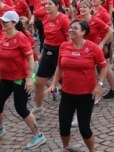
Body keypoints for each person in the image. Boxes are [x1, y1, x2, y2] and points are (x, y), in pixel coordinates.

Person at [0, 11, 46, 150]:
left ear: (14, 23)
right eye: (1, 21)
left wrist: (29, 79)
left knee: (21, 109)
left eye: (5, 22)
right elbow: (3, 57)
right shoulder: (3, 35)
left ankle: (38, 135)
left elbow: (30, 59)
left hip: (19, 79)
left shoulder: (21, 38)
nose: (2, 23)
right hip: (5, 78)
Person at [45, 19, 108, 152]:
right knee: (64, 126)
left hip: (86, 94)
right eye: (70, 28)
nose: (71, 30)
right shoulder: (64, 46)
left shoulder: (93, 48)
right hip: (67, 92)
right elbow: (60, 67)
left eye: (75, 28)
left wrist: (100, 84)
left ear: (84, 32)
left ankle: (92, 150)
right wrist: (54, 84)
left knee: (84, 128)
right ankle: (65, 149)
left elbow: (104, 67)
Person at [31, 0, 71, 116]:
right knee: (38, 83)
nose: (46, 6)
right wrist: (42, 52)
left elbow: (69, 40)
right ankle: (38, 107)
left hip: (61, 53)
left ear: (57, 6)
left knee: (66, 86)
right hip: (48, 52)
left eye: (50, 4)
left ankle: (74, 113)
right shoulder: (46, 18)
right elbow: (46, 37)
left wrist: (66, 56)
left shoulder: (64, 20)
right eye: (46, 4)